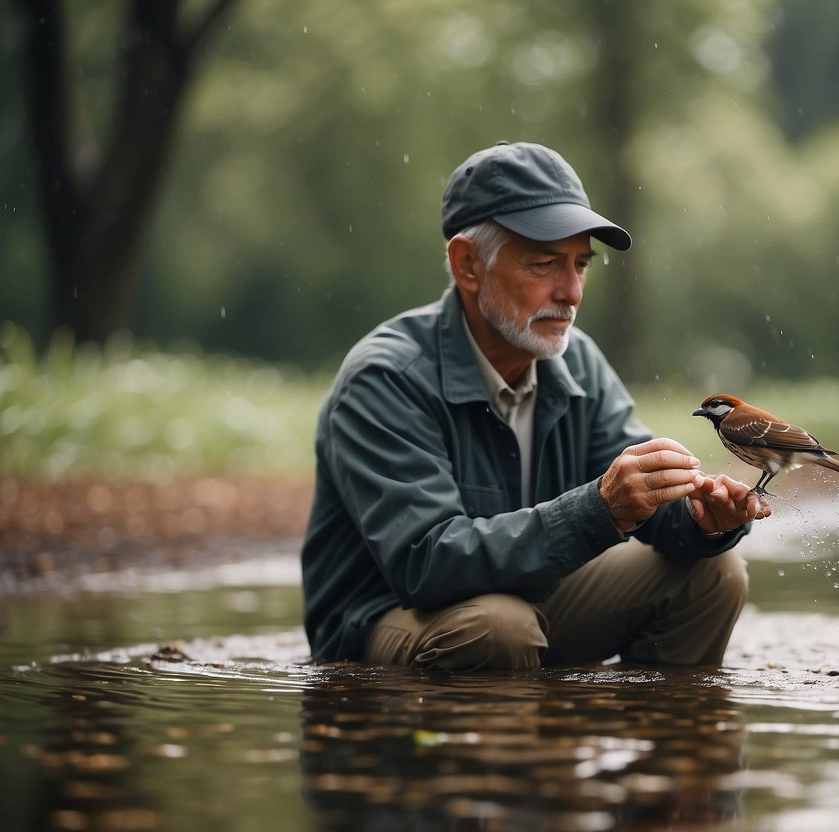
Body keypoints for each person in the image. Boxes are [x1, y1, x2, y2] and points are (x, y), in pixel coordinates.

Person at [301, 141, 769, 671]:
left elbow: (642, 507)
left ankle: (652, 746)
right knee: (497, 629)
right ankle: (495, 749)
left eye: (581, 265)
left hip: (523, 599)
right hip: (387, 616)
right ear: (468, 264)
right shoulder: (385, 378)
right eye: (545, 264)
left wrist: (703, 520)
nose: (570, 292)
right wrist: (599, 509)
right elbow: (425, 563)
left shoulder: (579, 364)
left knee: (715, 575)